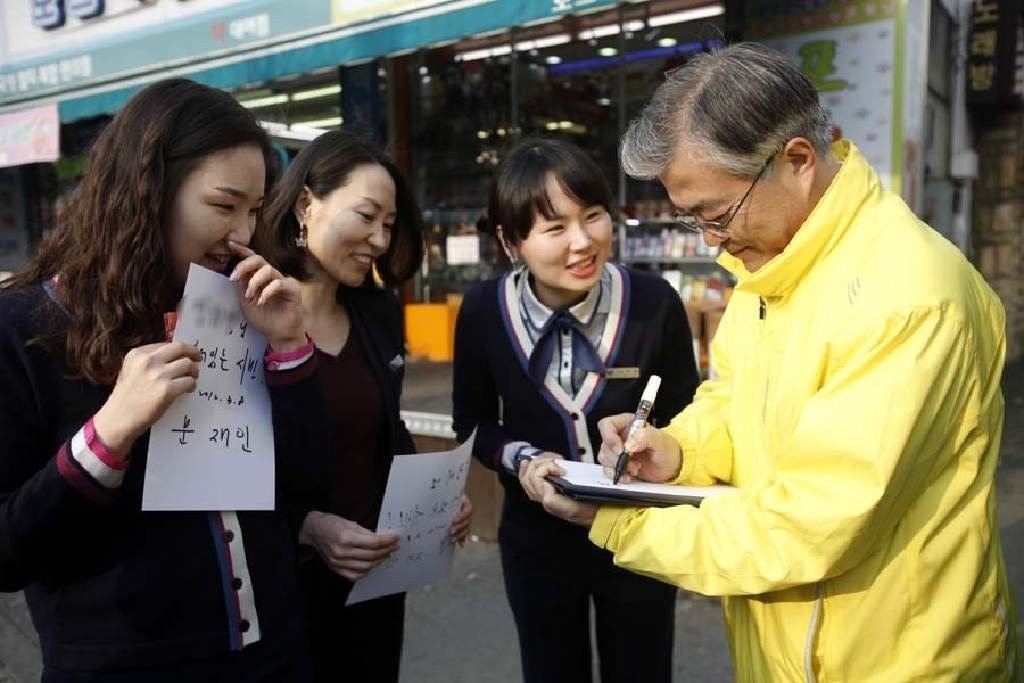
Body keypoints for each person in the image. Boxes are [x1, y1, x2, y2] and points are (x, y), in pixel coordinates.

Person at [520, 43, 1020, 682]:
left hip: (899, 661)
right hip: (789, 646)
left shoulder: (909, 300)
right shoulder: (777, 262)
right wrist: (677, 450)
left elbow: (807, 527)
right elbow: (735, 397)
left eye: (717, 215)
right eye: (694, 219)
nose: (711, 241)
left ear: (797, 161)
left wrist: (622, 522)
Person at [0, 78, 323, 680]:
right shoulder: (22, 328)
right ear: (145, 193)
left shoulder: (238, 305)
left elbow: (300, 484)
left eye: (254, 211)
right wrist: (108, 434)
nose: (243, 235)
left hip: (275, 652)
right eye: (224, 206)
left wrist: (288, 348)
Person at [452, 138, 700, 683]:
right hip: (536, 540)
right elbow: (472, 422)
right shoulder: (483, 313)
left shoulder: (654, 302)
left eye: (593, 216)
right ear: (510, 240)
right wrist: (522, 460)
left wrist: (656, 442)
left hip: (637, 534)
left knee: (642, 669)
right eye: (555, 227)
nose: (583, 241)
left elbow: (691, 414)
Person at [255, 129, 472, 683]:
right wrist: (303, 527)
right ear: (307, 204)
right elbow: (217, 467)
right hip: (278, 587)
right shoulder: (243, 311)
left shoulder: (375, 311)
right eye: (367, 215)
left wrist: (435, 496)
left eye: (389, 224)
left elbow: (386, 427)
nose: (378, 239)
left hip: (375, 581)